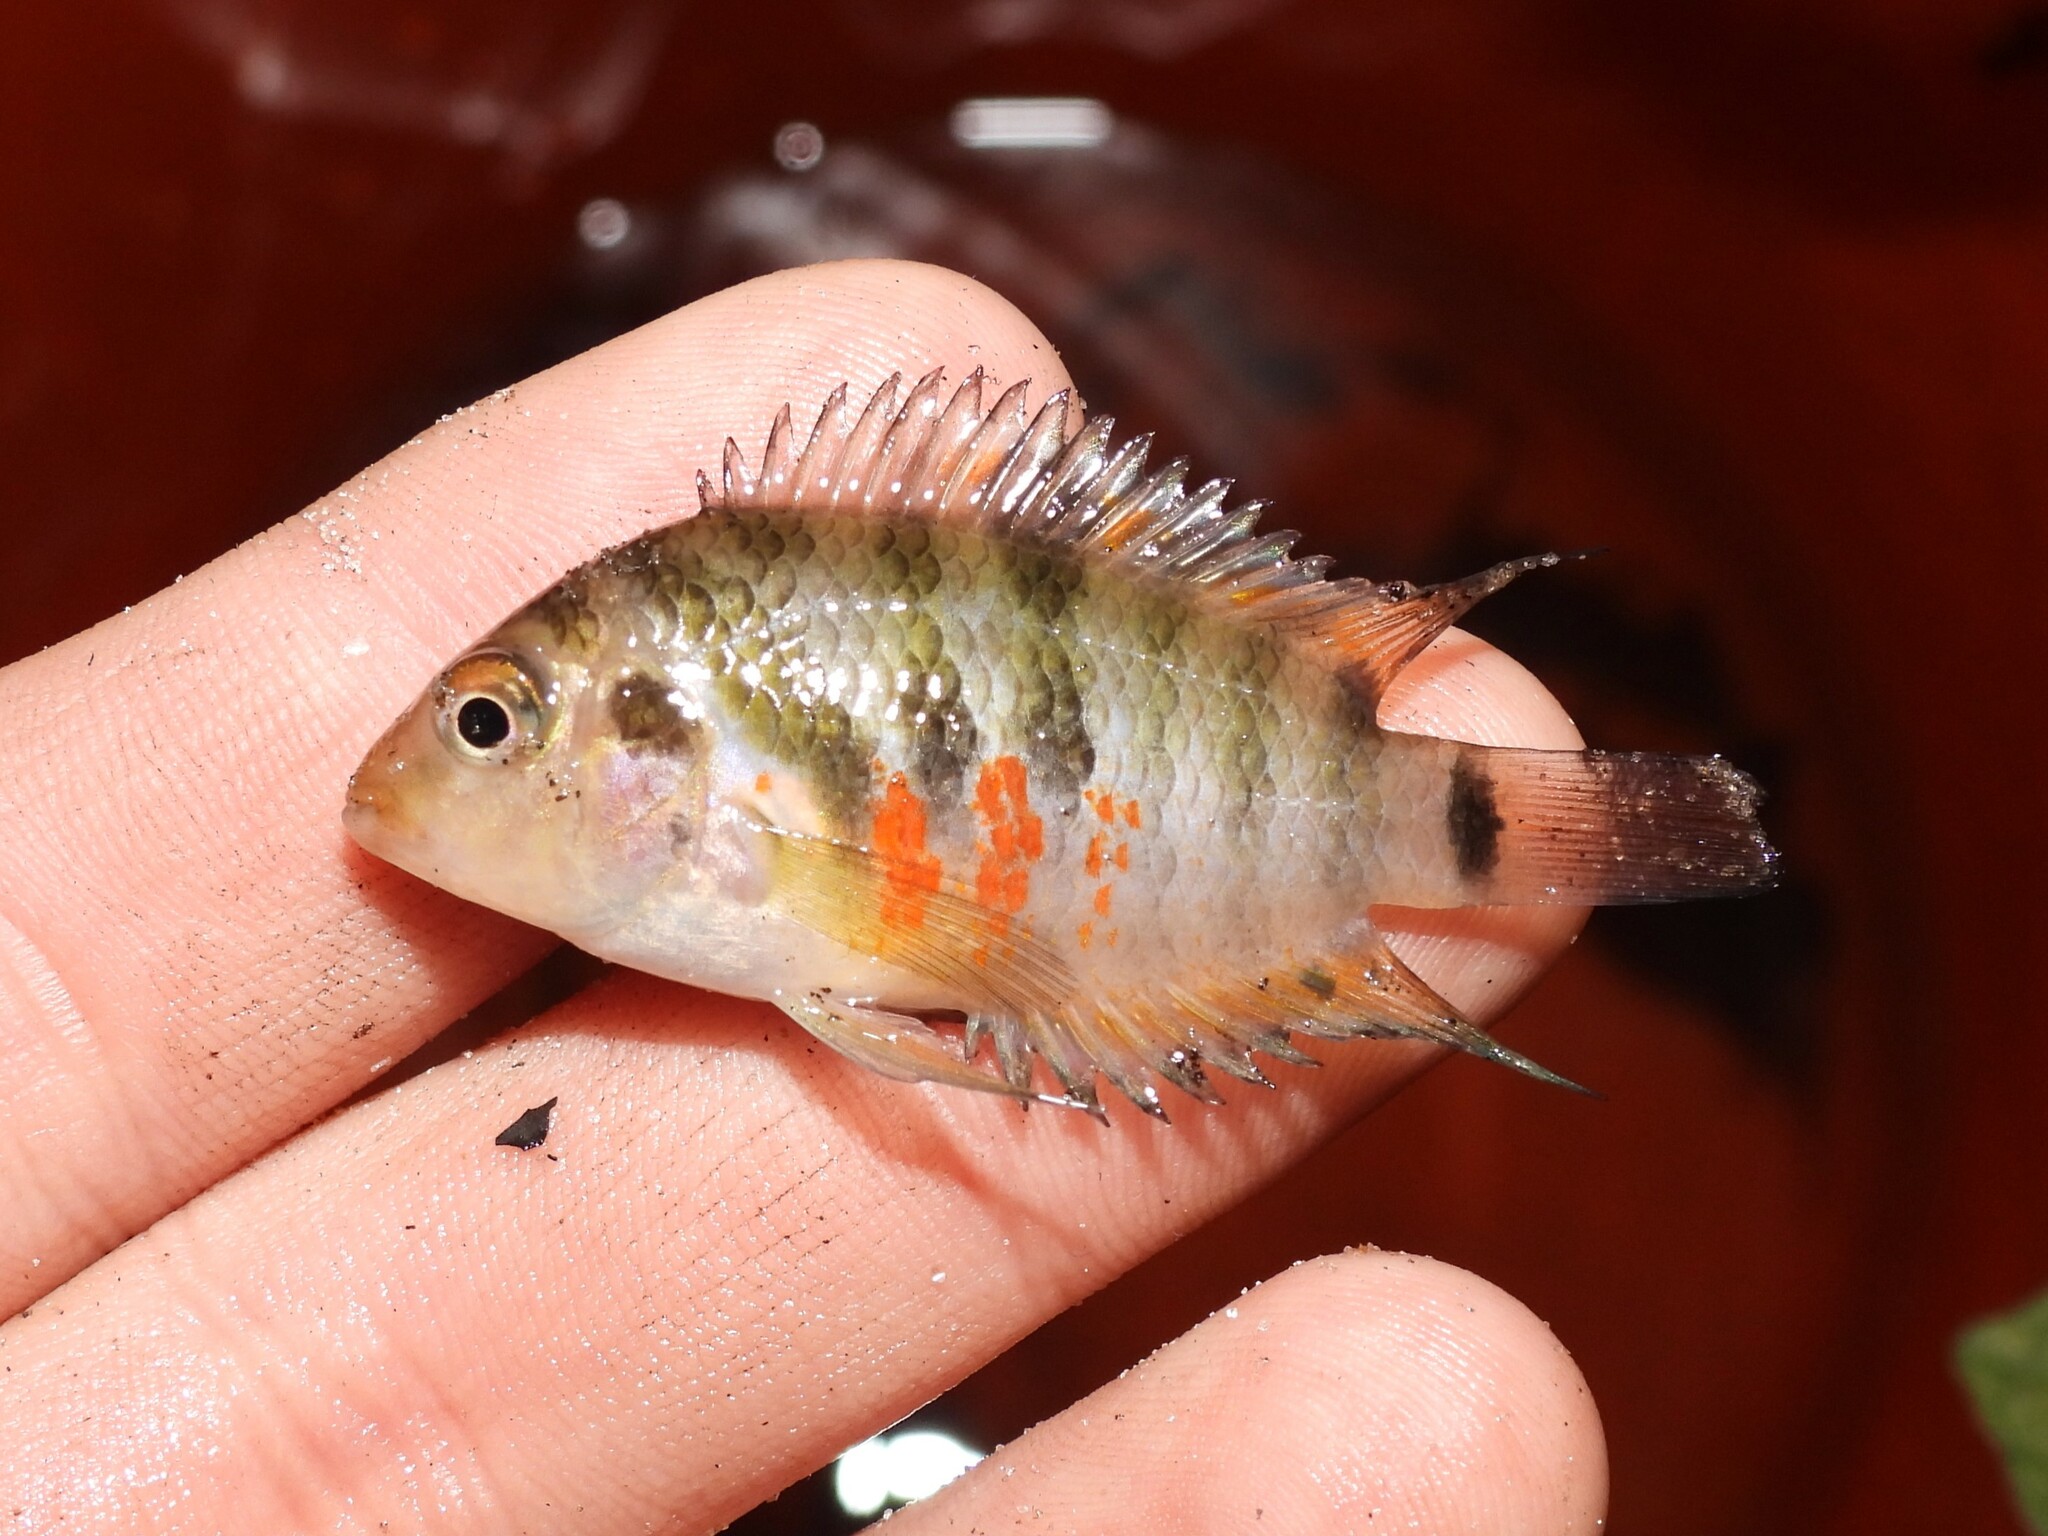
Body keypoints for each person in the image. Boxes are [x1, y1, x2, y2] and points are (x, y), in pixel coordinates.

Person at [0, 260, 1607, 1532]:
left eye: (490, 725)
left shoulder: (709, 786)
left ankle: (1554, 831)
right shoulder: (677, 806)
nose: (433, 767)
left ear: (657, 754)